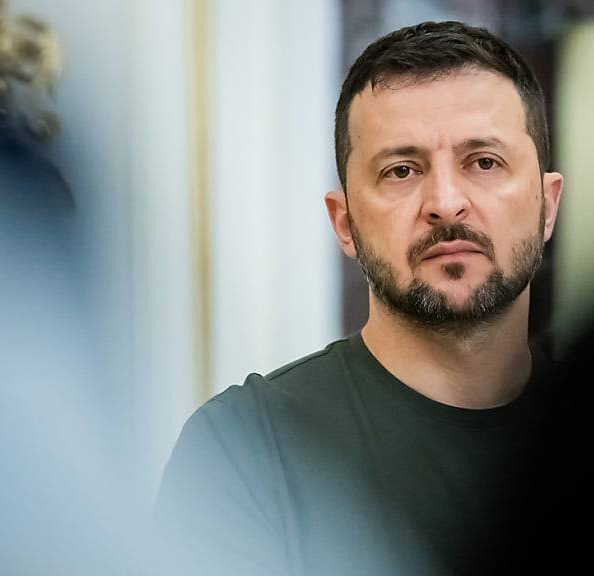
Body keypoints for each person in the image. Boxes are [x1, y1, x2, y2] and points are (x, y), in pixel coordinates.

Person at [152, 21, 563, 575]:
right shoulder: (245, 451)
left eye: (484, 162)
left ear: (547, 205)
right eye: (402, 170)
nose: (445, 202)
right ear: (344, 223)